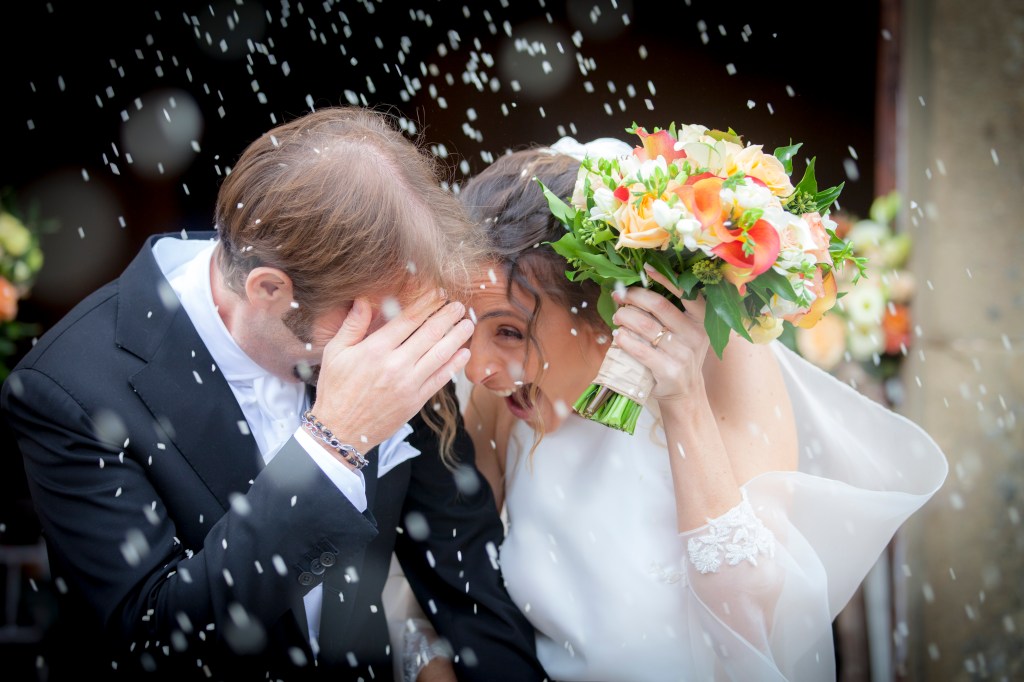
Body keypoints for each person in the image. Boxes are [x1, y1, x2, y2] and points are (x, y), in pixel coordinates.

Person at [0, 106, 548, 682]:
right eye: (378, 317)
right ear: (269, 290)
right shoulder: (69, 390)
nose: (400, 342)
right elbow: (154, 638)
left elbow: (469, 579)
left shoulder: (386, 319)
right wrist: (332, 444)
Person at [452, 141, 949, 681]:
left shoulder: (728, 366)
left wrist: (683, 401)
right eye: (467, 326)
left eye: (508, 332)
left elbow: (750, 624)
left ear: (606, 310)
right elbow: (450, 567)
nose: (476, 369)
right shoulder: (504, 397)